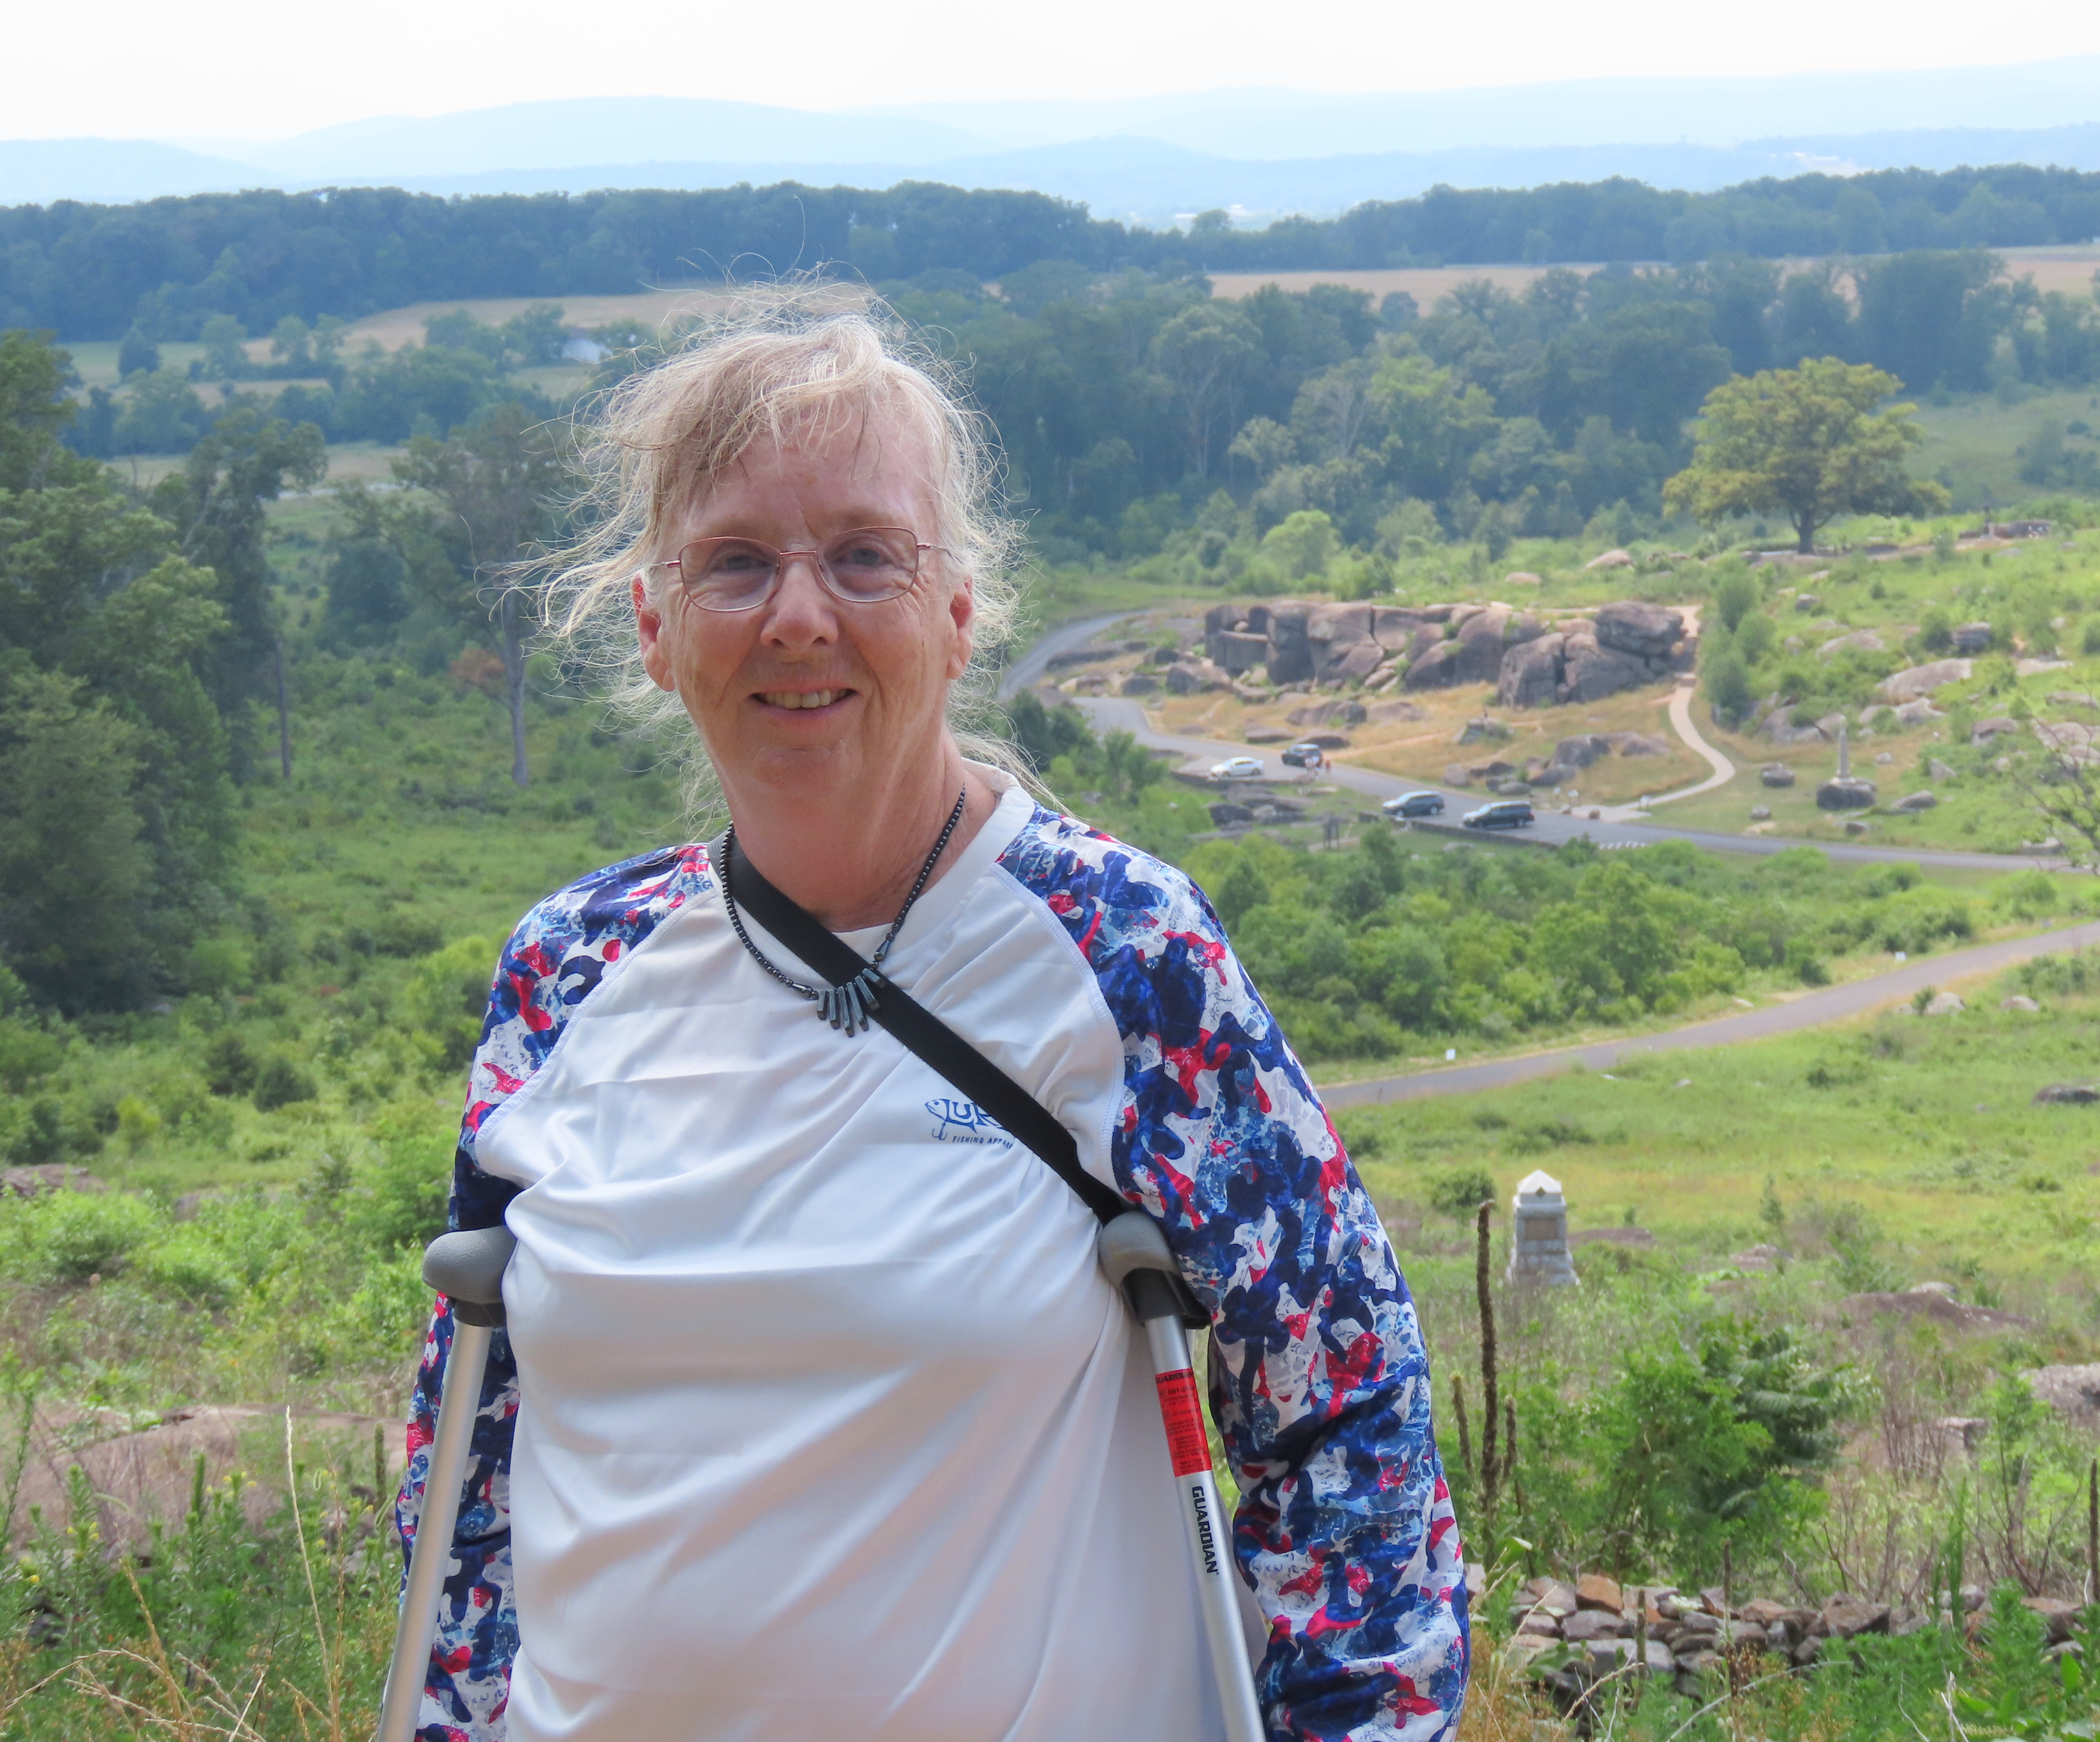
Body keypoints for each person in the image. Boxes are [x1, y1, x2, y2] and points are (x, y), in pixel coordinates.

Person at [396, 285, 1467, 1742]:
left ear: (957, 616)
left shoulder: (1126, 953)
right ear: (655, 627)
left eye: (861, 558)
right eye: (734, 564)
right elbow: (471, 1432)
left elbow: (1344, 1416)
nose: (796, 616)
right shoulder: (570, 968)